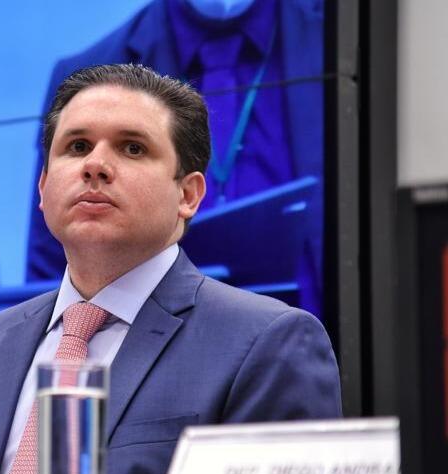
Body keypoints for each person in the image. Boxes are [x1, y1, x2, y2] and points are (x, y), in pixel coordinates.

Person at [0, 63, 341, 474]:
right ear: (43, 187)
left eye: (132, 148)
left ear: (188, 195)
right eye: (77, 146)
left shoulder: (267, 342)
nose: (95, 165)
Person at [25, 0, 325, 316]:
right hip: (135, 340)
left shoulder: (338, 46)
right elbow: (50, 271)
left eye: (133, 148)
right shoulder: (84, 79)